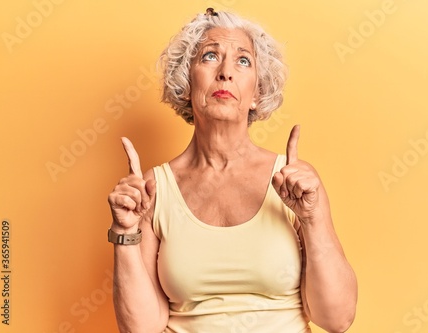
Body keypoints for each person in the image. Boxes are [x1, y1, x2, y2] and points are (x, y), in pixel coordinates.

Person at [107, 8, 357, 333]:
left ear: (257, 93)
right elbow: (141, 328)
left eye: (243, 61)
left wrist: (311, 218)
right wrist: (124, 230)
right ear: (186, 83)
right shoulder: (154, 189)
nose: (226, 72)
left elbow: (337, 319)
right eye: (210, 56)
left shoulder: (294, 181)